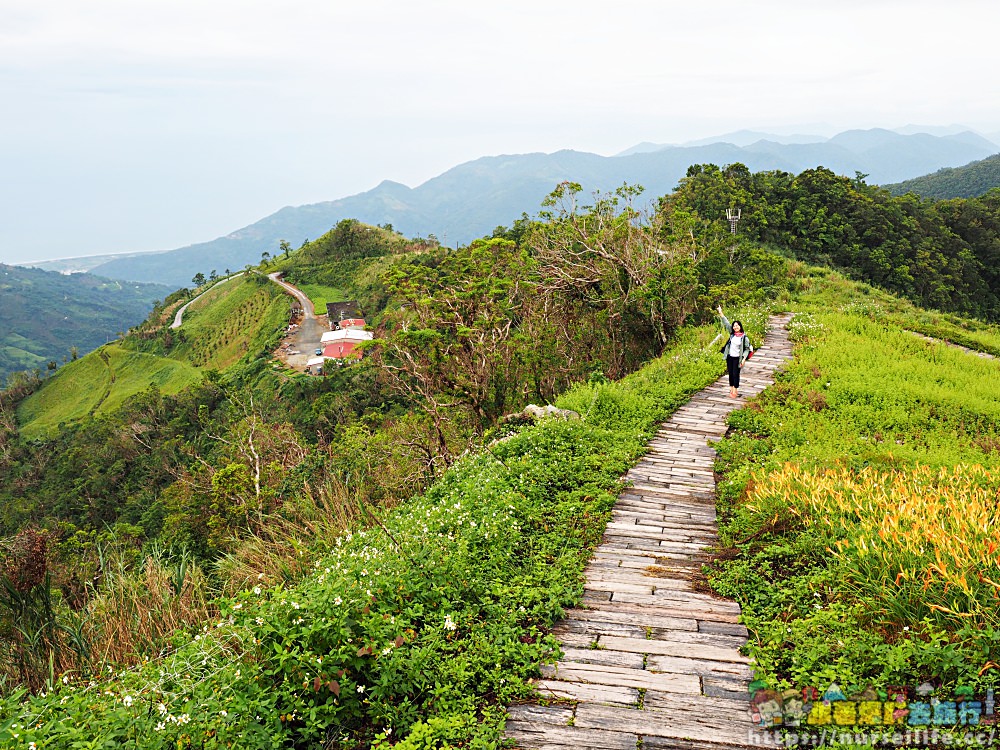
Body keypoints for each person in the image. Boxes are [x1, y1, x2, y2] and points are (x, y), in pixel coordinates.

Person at [717, 305, 753, 398]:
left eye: (737, 325)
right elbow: (726, 323)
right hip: (730, 357)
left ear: (740, 327)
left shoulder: (744, 337)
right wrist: (720, 312)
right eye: (734, 326)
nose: (735, 327)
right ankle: (731, 389)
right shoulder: (732, 334)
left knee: (735, 374)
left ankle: (735, 390)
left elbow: (747, 349)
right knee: (730, 373)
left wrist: (744, 359)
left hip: (738, 358)